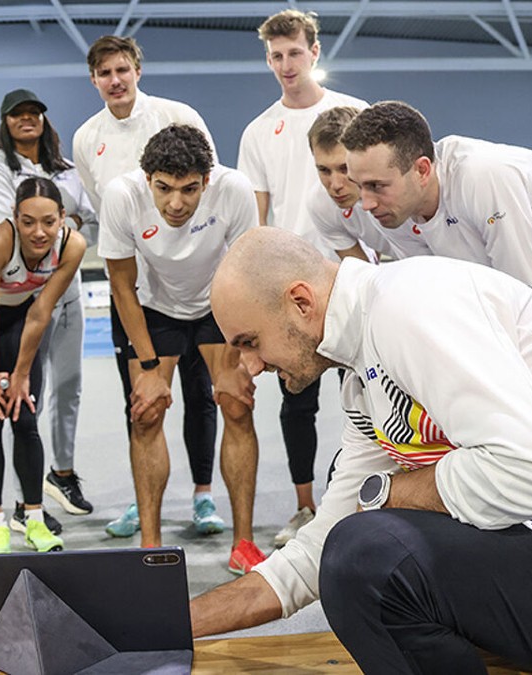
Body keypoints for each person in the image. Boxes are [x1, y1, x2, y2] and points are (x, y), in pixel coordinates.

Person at [192, 227, 532, 674]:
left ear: (300, 301)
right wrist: (178, 619)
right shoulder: (362, 375)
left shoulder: (409, 307)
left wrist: (390, 490)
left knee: (369, 555)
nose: (252, 366)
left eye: (249, 342)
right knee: (354, 548)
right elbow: (318, 548)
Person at [342, 100, 532, 373]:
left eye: (377, 186)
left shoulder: (483, 176)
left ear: (422, 170)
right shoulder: (390, 211)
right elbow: (440, 295)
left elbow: (529, 299)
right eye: (359, 185)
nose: (366, 203)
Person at [72, 35, 227, 539]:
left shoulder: (177, 115)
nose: (114, 81)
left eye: (122, 70)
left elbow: (208, 185)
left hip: (196, 273)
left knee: (201, 392)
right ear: (93, 80)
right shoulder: (85, 138)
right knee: (139, 396)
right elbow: (105, 207)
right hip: (135, 286)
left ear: (137, 69)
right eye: (104, 73)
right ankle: (146, 502)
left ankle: (203, 495)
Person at [96, 125, 264, 573]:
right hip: (152, 306)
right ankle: (151, 545)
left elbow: (247, 270)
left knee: (236, 403)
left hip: (219, 303)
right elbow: (121, 284)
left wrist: (236, 354)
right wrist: (149, 366)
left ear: (206, 181)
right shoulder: (121, 195)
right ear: (146, 178)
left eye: (190, 190)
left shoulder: (234, 189)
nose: (176, 204)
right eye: (164, 188)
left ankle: (243, 543)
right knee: (146, 411)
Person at [237, 9, 368, 547]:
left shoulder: (355, 114)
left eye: (295, 52)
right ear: (267, 59)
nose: (286, 64)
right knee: (297, 401)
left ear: (315, 52)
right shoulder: (257, 132)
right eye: (276, 55)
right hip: (288, 291)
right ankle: (305, 507)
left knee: (367, 394)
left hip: (352, 276)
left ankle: (363, 500)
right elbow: (256, 220)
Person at [0, 88, 96, 528]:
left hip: (63, 287)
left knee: (69, 385)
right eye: (17, 115)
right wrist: (46, 226)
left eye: (34, 114)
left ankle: (61, 474)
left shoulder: (66, 170)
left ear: (45, 120)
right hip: (17, 291)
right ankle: (20, 502)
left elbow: (84, 215)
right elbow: (7, 225)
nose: (27, 120)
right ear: (6, 123)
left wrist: (58, 228)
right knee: (20, 402)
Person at [0, 177, 85, 555]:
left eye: (49, 222)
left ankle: (34, 520)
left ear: (62, 218)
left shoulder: (73, 246)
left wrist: (21, 375)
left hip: (24, 317)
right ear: (15, 218)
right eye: (28, 222)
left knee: (25, 415)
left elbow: (40, 312)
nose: (39, 232)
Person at [306, 106, 430, 262]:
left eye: (345, 168)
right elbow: (362, 273)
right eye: (324, 170)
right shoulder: (321, 205)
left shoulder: (406, 192)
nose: (335, 185)